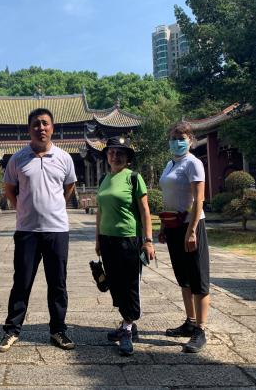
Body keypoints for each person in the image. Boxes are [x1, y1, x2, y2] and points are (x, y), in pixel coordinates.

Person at [0, 108, 77, 352]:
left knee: (57, 283)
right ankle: (12, 330)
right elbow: (9, 188)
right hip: (27, 230)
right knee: (22, 281)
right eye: (36, 124)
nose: (41, 128)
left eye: (45, 123)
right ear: (29, 129)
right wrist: (21, 208)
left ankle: (58, 330)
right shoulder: (18, 158)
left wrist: (56, 206)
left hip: (56, 229)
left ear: (52, 127)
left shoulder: (64, 158)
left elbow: (69, 186)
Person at [95, 136, 155, 356]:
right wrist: (97, 239)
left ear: (128, 157)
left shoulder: (133, 178)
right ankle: (126, 323)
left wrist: (148, 240)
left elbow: (145, 210)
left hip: (128, 239)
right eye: (111, 152)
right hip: (107, 239)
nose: (115, 156)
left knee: (129, 284)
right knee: (114, 283)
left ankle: (128, 329)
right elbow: (100, 211)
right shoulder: (104, 179)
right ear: (107, 156)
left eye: (120, 153)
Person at [158, 121, 209, 353]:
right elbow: (168, 197)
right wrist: (163, 226)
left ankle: (201, 329)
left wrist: (192, 229)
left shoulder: (193, 163)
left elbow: (199, 199)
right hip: (174, 226)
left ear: (190, 141)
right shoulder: (170, 164)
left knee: (198, 277)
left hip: (191, 225)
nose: (176, 142)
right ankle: (190, 321)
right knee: (183, 277)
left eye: (181, 138)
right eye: (173, 138)